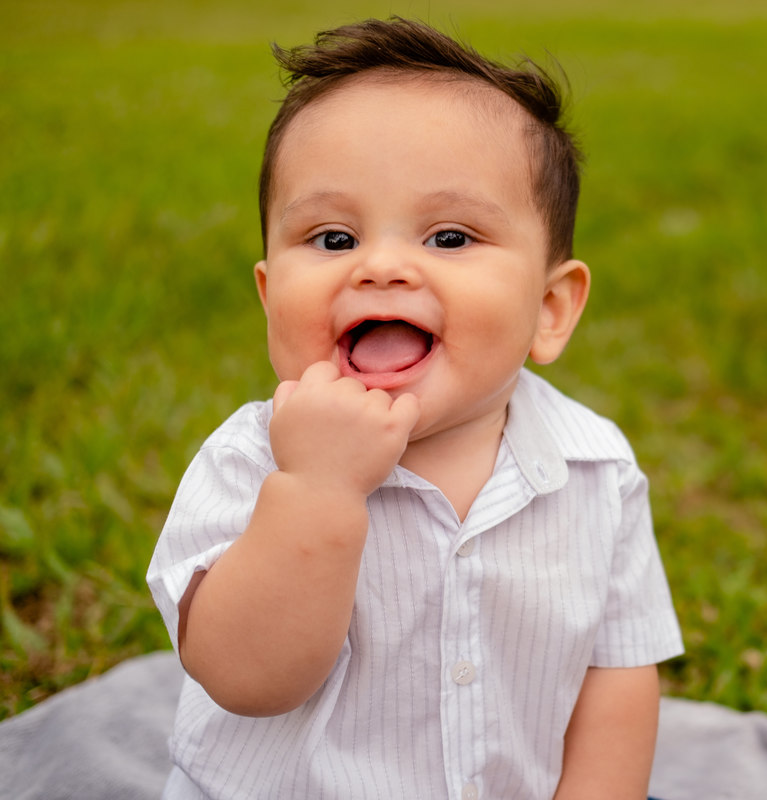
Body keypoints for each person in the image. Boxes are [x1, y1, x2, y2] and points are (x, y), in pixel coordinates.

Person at [146, 17, 683, 800]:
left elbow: (617, 675)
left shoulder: (594, 470)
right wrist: (318, 491)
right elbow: (243, 679)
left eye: (451, 236)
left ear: (549, 309)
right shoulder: (252, 462)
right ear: (269, 299)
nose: (384, 266)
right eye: (332, 238)